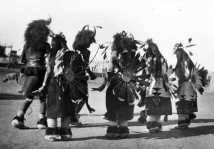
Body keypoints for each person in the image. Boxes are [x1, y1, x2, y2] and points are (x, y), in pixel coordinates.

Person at [93, 31, 144, 138]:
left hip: (117, 80)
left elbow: (111, 64)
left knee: (113, 103)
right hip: (130, 80)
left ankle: (113, 130)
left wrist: (104, 83)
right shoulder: (132, 51)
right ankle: (124, 129)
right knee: (127, 103)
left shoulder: (116, 49)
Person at [11, 18, 51, 129]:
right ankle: (42, 121)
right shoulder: (46, 45)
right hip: (40, 73)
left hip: (28, 72)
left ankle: (18, 117)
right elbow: (48, 63)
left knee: (29, 97)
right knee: (43, 97)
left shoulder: (26, 45)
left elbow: (22, 60)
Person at [36, 33, 73, 141]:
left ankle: (52, 133)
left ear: (52, 44)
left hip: (54, 84)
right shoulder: (69, 54)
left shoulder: (50, 55)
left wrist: (43, 85)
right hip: (67, 84)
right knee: (66, 109)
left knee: (52, 108)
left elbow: (48, 72)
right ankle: (66, 133)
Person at [142, 39, 175, 133]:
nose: (153, 51)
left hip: (156, 83)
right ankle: (155, 125)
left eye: (153, 49)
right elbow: (163, 73)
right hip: (157, 85)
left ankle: (155, 125)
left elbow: (150, 72)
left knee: (155, 105)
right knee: (156, 105)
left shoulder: (156, 59)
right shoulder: (157, 59)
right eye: (152, 50)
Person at [173, 42, 207, 129]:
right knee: (184, 102)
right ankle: (185, 121)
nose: (176, 54)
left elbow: (186, 74)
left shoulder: (184, 61)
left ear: (180, 51)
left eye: (177, 52)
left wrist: (180, 83)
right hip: (187, 85)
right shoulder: (185, 60)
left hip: (185, 84)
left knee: (180, 102)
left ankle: (183, 122)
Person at [70, 25, 97, 125]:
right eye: (90, 41)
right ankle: (73, 117)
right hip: (80, 77)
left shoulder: (73, 51)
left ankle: (72, 116)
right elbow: (85, 66)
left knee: (74, 98)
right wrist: (91, 74)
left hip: (71, 76)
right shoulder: (86, 52)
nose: (91, 43)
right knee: (84, 98)